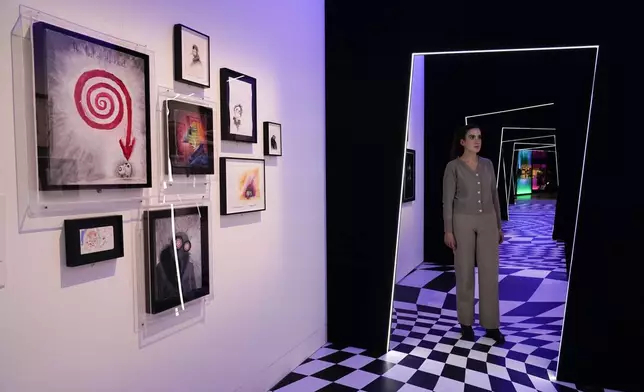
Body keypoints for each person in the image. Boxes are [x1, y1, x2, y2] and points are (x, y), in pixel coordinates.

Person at [442, 124, 505, 344]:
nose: (477, 140)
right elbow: (447, 201)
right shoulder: (453, 167)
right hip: (462, 222)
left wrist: (498, 225)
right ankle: (466, 323)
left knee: (489, 274)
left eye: (479, 137)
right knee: (464, 272)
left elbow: (495, 196)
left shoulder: (488, 164)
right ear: (462, 141)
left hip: (487, 221)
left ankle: (491, 325)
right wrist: (448, 230)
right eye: (472, 137)